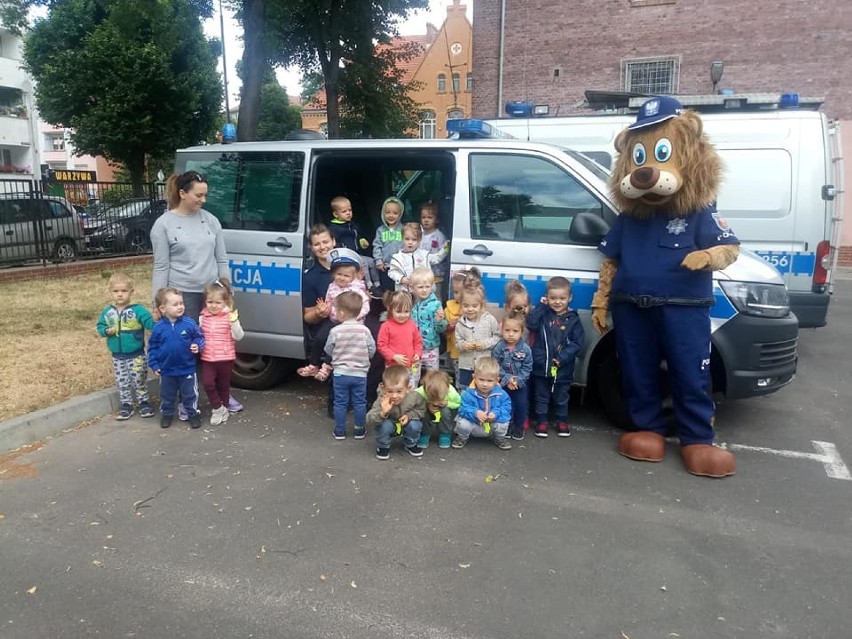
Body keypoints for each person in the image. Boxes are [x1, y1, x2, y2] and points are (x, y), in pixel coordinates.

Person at [150, 170, 241, 417]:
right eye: (198, 195)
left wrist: (226, 288)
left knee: (217, 347)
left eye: (205, 195)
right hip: (182, 294)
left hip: (211, 293)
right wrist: (157, 302)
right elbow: (161, 266)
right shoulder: (164, 225)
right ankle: (185, 400)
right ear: (182, 193)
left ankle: (222, 396)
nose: (203, 200)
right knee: (185, 347)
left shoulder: (210, 221)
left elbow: (221, 259)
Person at [298, 247, 370, 381]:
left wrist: (352, 316)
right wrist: (325, 309)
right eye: (339, 274)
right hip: (334, 320)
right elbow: (329, 302)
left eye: (346, 275)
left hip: (351, 323)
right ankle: (313, 364)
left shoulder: (357, 289)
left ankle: (326, 367)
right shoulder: (332, 287)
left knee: (338, 342)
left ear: (353, 276)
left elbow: (365, 307)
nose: (342, 278)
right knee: (320, 338)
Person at [526, 276, 585, 438]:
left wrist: (563, 357)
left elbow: (577, 343)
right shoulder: (544, 315)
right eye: (553, 298)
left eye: (562, 298)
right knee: (541, 396)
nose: (557, 302)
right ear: (547, 298)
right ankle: (542, 421)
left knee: (561, 396)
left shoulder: (573, 319)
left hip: (563, 367)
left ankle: (561, 421)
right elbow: (531, 324)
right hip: (542, 365)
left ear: (570, 298)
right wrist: (541, 307)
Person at [96, 272, 155, 420]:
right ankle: (126, 405)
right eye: (116, 291)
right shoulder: (108, 312)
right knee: (122, 381)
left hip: (136, 354)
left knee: (139, 379)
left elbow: (149, 323)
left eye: (123, 291)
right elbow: (100, 326)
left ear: (131, 291)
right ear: (110, 292)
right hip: (117, 355)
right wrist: (105, 331)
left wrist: (154, 319)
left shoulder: (138, 310)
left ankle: (144, 403)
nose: (120, 295)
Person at [148, 288, 205, 430]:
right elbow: (152, 347)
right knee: (167, 394)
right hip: (166, 370)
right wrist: (154, 364)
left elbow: (200, 337)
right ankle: (167, 414)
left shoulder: (189, 323)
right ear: (163, 308)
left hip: (187, 368)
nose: (180, 307)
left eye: (181, 303)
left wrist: (197, 346)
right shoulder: (158, 328)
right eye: (175, 304)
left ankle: (192, 413)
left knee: (190, 394)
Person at [324, 291, 376, 440]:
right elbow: (372, 349)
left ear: (341, 313)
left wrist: (335, 356)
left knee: (340, 402)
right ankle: (359, 430)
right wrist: (366, 358)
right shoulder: (365, 331)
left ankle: (340, 430)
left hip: (340, 372)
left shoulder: (335, 331)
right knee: (360, 402)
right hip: (360, 373)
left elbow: (328, 348)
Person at [198, 281, 245, 427]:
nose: (213, 305)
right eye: (210, 302)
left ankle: (224, 408)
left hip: (225, 358)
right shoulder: (202, 317)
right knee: (208, 383)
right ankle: (217, 408)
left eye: (218, 302)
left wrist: (234, 322)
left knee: (224, 386)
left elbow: (239, 336)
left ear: (225, 302)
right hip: (208, 358)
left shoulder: (229, 317)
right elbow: (199, 336)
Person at [366, 364, 426, 460]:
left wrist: (409, 416)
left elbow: (421, 410)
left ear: (408, 388)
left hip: (405, 421)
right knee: (384, 425)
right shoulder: (382, 400)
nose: (394, 396)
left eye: (399, 391)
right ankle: (383, 446)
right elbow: (370, 419)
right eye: (390, 391)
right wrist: (383, 413)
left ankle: (411, 443)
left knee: (415, 424)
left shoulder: (415, 397)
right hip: (390, 424)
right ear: (383, 389)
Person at [452, 356, 512, 450]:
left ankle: (499, 439)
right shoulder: (467, 393)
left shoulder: (502, 394)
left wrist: (495, 413)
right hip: (474, 423)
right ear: (474, 377)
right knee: (463, 423)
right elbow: (462, 409)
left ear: (497, 380)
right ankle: (462, 438)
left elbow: (506, 408)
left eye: (489, 381)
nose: (485, 384)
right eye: (481, 379)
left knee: (503, 423)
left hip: (492, 425)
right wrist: (475, 412)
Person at [492, 312, 533, 441]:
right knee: (504, 405)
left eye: (515, 331)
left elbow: (527, 367)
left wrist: (517, 380)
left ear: (521, 332)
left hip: (520, 384)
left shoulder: (525, 349)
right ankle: (507, 425)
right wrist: (507, 379)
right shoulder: (499, 347)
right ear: (502, 330)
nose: (510, 334)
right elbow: (495, 365)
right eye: (507, 330)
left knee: (521, 405)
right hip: (504, 383)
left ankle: (519, 426)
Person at [327, 196, 379, 293]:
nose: (348, 213)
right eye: (344, 211)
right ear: (335, 214)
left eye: (350, 210)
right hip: (345, 257)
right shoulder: (334, 228)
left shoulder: (352, 224)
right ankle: (369, 285)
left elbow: (357, 236)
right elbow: (334, 243)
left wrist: (362, 241)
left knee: (372, 261)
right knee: (363, 263)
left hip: (356, 253)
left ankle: (377, 283)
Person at [453, 281, 501, 389]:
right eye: (466, 306)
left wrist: (484, 344)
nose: (470, 309)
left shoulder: (489, 320)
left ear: (481, 305)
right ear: (461, 305)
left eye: (474, 306)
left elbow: (498, 337)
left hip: (484, 367)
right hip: (466, 365)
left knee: (484, 390)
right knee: (466, 390)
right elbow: (457, 342)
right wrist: (463, 345)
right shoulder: (460, 323)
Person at [377, 290, 423, 388]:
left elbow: (418, 342)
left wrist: (417, 354)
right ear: (390, 309)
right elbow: (381, 345)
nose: (402, 315)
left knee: (411, 389)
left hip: (411, 366)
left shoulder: (412, 324)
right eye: (398, 311)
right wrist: (393, 356)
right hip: (393, 367)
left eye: (406, 311)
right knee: (394, 388)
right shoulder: (386, 326)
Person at [387, 223, 448, 292]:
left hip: (422, 293)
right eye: (407, 239)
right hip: (404, 293)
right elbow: (392, 272)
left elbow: (436, 258)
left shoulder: (424, 255)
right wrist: (401, 279)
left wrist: (445, 249)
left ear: (419, 240)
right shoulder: (397, 258)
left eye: (414, 239)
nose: (410, 242)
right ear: (402, 238)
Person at [444, 268, 479, 382]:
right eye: (455, 292)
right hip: (457, 352)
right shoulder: (449, 308)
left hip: (474, 353)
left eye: (460, 292)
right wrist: (449, 326)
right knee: (461, 381)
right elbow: (444, 330)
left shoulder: (474, 307)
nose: (457, 295)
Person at [409, 267, 447, 373]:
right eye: (420, 287)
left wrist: (439, 321)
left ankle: (432, 390)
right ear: (412, 287)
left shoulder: (436, 304)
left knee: (433, 375)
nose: (424, 290)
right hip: (414, 348)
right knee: (413, 375)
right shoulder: (410, 303)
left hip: (431, 347)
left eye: (428, 286)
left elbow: (442, 328)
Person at [415, 369, 461, 449]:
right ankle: (424, 433)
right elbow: (414, 401)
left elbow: (459, 404)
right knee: (423, 412)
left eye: (438, 398)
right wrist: (427, 404)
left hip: (446, 409)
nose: (436, 402)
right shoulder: (421, 391)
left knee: (445, 412)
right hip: (428, 408)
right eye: (432, 398)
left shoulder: (451, 393)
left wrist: (447, 403)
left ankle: (445, 434)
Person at [372, 197, 405, 291]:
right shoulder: (380, 230)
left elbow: (407, 245)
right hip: (385, 266)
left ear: (400, 214)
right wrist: (378, 261)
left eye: (395, 213)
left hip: (400, 266)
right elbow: (377, 246)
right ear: (383, 213)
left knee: (400, 289)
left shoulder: (403, 229)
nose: (391, 215)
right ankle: (388, 305)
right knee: (387, 290)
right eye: (387, 212)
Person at [419, 201, 449, 285]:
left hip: (436, 275)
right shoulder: (419, 234)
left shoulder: (439, 236)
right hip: (422, 274)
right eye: (423, 217)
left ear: (437, 219)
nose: (426, 220)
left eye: (429, 217)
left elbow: (444, 251)